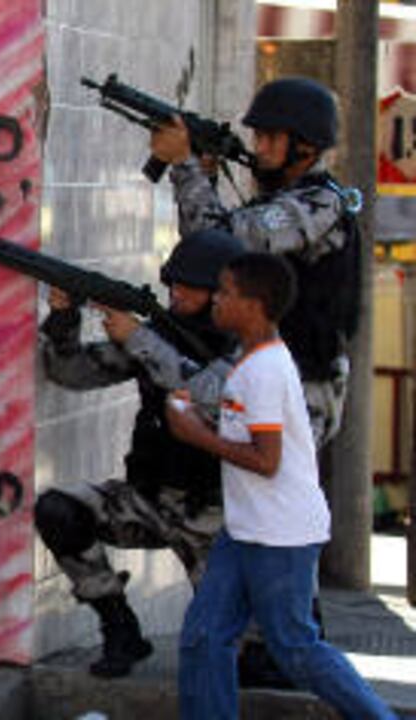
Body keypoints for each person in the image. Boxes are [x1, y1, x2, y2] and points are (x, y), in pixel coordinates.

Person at [165, 252, 396, 720]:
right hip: (247, 529)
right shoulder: (251, 362)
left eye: (226, 292)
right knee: (205, 637)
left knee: (294, 647)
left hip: (280, 536)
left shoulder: (264, 370)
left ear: (254, 305)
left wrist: (196, 434)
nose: (216, 300)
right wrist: (199, 412)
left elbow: (266, 461)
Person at [35, 229, 243, 678]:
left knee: (239, 651)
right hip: (147, 500)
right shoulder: (161, 334)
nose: (177, 294)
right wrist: (63, 320)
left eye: (190, 286)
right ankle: (119, 626)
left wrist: (141, 340)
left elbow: (208, 394)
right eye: (173, 284)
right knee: (59, 510)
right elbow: (70, 373)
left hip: (214, 515)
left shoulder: (247, 348)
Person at [151, 77, 359, 450]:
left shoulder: (318, 204)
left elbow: (222, 240)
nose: (258, 147)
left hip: (302, 383)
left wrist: (185, 166)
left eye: (270, 138)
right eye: (258, 136)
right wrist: (205, 173)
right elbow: (211, 245)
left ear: (305, 146)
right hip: (265, 372)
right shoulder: (287, 198)